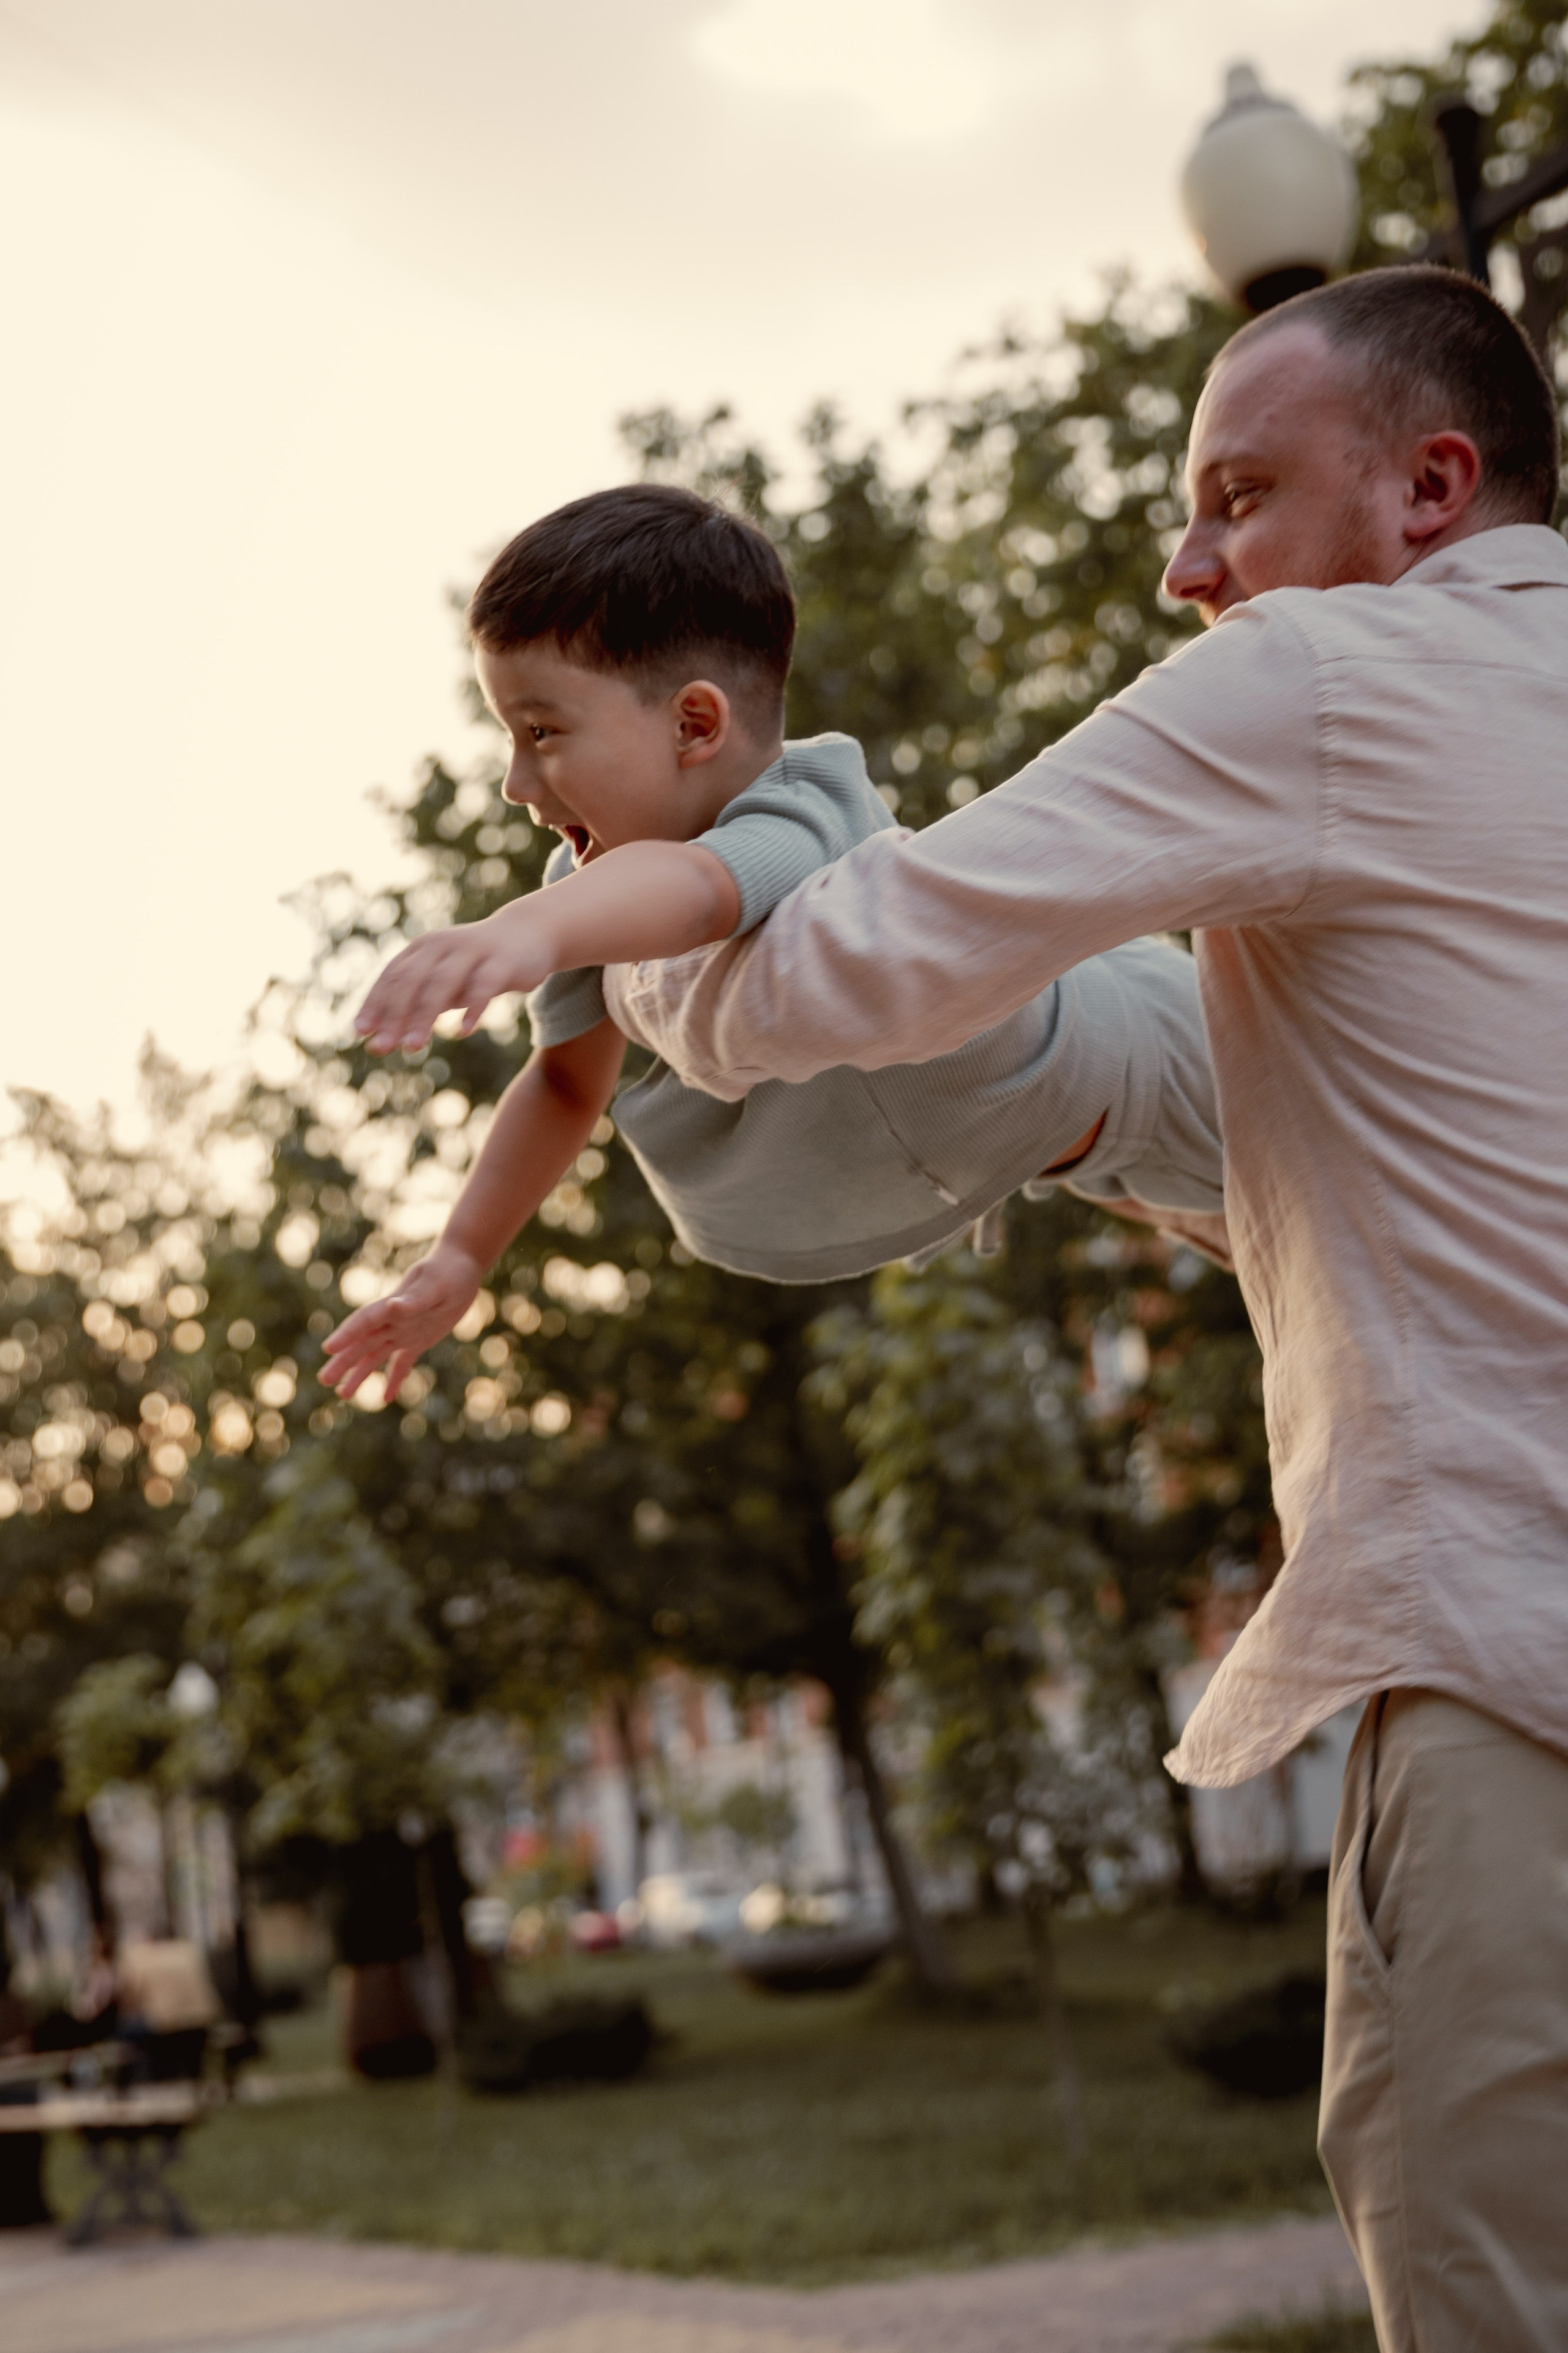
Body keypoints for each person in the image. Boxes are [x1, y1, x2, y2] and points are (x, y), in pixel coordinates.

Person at [578, 268, 1568, 2351]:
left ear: (1429, 488)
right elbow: (1270, 1106)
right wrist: (1046, 1093)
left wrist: (634, 920)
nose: (1186, 564)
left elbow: (855, 964)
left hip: (1516, 1674)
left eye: (1236, 494)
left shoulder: (1317, 681)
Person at [323, 484, 1227, 1402]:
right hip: (1095, 1158)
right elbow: (564, 1080)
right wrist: (461, 1255)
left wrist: (523, 928)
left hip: (1163, 1051)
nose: (517, 783)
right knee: (1288, 1267)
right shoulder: (590, 895)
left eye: (543, 731)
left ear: (695, 725)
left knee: (1362, 1201)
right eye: (509, 738)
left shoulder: (803, 805)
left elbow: (699, 894)